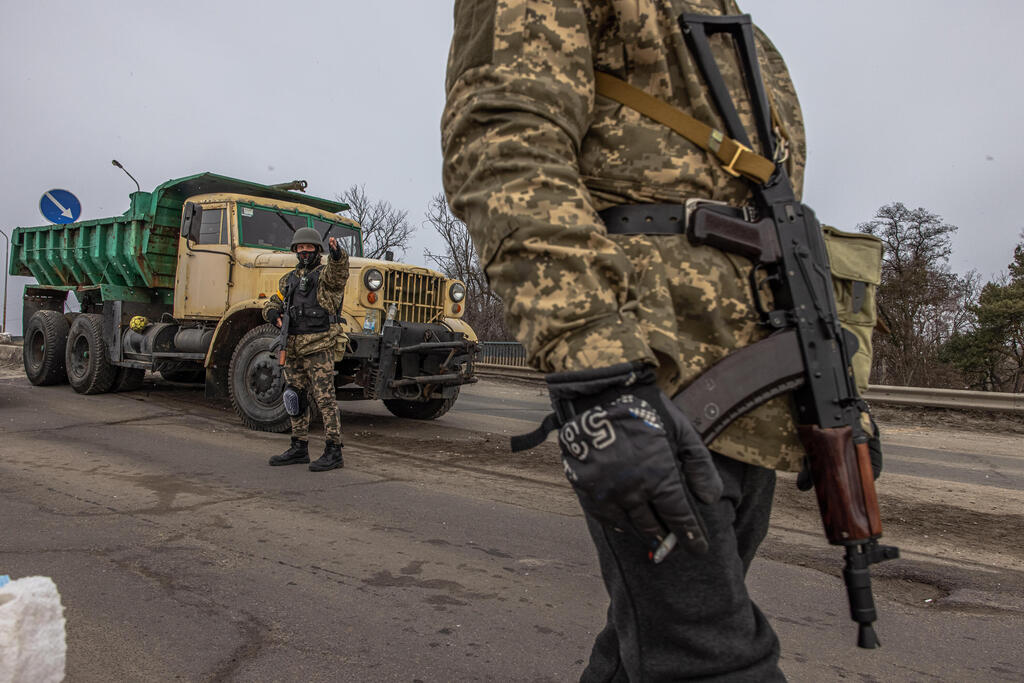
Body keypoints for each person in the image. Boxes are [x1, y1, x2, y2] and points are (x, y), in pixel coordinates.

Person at [443, 1, 812, 679]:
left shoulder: (739, 28)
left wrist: (827, 387)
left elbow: (775, 218)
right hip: (652, 377)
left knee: (645, 650)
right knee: (715, 656)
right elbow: (506, 146)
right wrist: (601, 376)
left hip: (749, 391)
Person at [263, 228, 349, 472]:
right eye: (300, 248)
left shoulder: (325, 276)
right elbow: (273, 301)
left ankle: (334, 450)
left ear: (317, 250)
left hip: (319, 345)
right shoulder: (288, 279)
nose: (304, 252)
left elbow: (339, 273)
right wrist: (272, 312)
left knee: (325, 399)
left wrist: (337, 255)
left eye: (308, 248)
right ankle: (298, 446)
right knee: (294, 397)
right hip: (293, 347)